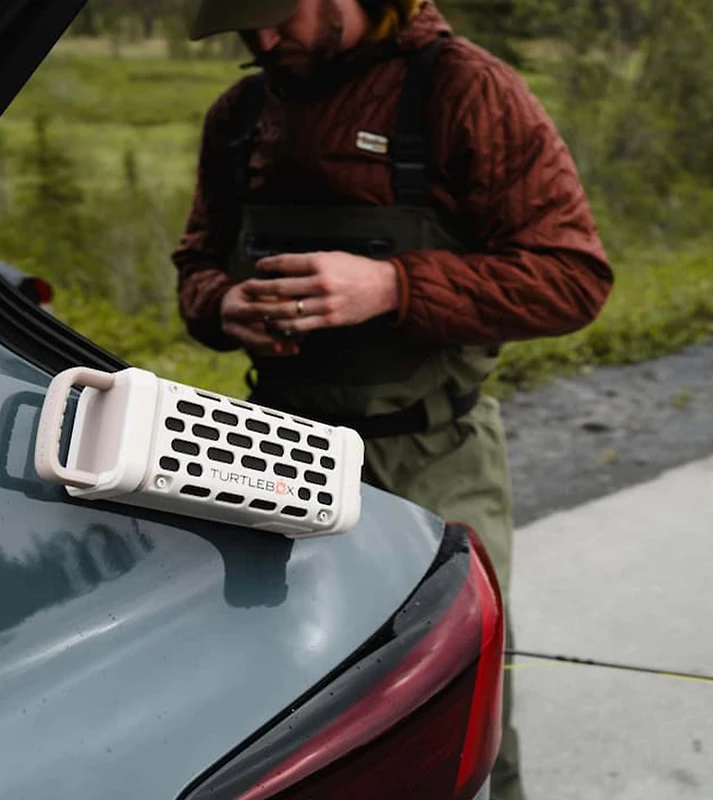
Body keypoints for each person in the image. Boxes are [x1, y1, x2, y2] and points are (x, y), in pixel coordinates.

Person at [172, 1, 614, 797]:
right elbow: (197, 263)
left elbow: (573, 278)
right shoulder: (240, 115)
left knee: (451, 695)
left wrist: (393, 286)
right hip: (275, 453)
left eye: (277, 14)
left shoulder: (466, 90)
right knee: (283, 701)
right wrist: (222, 304)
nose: (262, 40)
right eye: (243, 24)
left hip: (431, 458)